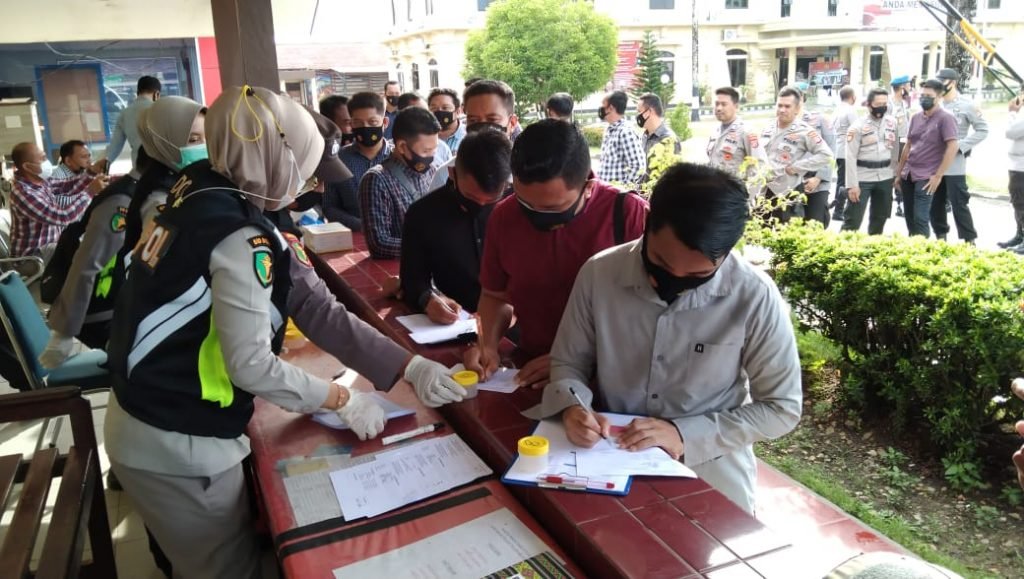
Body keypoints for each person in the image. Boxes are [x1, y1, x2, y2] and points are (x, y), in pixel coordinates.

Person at [103, 85, 466, 579]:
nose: (312, 188)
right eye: (306, 173)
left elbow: (314, 306)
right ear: (274, 160)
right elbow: (251, 363)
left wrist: (409, 364)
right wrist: (341, 398)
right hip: (177, 436)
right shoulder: (238, 234)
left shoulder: (202, 191)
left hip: (150, 416)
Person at [529, 162, 801, 514]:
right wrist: (573, 407)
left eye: (697, 276)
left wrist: (684, 434)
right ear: (647, 221)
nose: (670, 281)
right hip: (608, 457)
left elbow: (781, 407)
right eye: (660, 263)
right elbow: (568, 362)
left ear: (726, 253)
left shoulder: (753, 295)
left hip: (710, 469)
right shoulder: (599, 274)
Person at [464, 119, 648, 389]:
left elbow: (655, 319)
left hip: (612, 378)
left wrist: (574, 360)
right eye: (525, 203)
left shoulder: (630, 215)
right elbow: (494, 296)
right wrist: (487, 344)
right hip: (532, 369)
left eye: (552, 209)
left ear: (588, 186)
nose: (536, 217)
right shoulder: (504, 216)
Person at [401, 129, 512, 323]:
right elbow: (413, 280)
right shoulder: (423, 214)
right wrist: (428, 300)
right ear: (453, 173)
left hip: (516, 320)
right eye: (471, 197)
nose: (480, 205)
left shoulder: (518, 209)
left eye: (491, 200)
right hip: (456, 322)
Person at [121, 96, 207, 259]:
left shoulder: (188, 180)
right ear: (164, 143)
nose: (206, 146)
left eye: (208, 136)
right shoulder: (159, 199)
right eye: (194, 139)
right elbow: (164, 263)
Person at [359, 107, 441, 259]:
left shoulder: (433, 170)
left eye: (434, 150)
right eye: (425, 151)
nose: (431, 158)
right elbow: (379, 243)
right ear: (402, 146)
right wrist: (429, 246)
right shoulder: (376, 180)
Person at [8, 142, 106, 259]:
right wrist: (90, 192)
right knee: (86, 254)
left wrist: (92, 171)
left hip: (49, 247)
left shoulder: (40, 181)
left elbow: (68, 186)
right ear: (27, 167)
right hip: (32, 257)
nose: (47, 162)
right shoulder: (23, 193)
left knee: (90, 245)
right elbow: (62, 217)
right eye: (43, 158)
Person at [759, 86, 834, 223]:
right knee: (759, 231)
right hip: (763, 191)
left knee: (785, 232)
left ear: (797, 109)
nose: (782, 110)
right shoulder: (768, 128)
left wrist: (797, 167)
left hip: (787, 192)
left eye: (787, 106)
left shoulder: (804, 131)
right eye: (779, 105)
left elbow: (826, 155)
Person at [896, 79, 958, 238]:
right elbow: (908, 145)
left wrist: (938, 176)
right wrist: (899, 173)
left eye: (929, 96)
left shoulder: (946, 118)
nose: (924, 99)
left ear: (939, 97)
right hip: (908, 173)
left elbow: (952, 147)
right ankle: (913, 247)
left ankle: (924, 251)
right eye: (922, 95)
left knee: (920, 218)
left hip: (927, 176)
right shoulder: (915, 117)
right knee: (909, 217)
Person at [933, 68, 986, 244]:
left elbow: (982, 130)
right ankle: (941, 238)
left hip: (954, 164)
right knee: (935, 203)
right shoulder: (935, 103)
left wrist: (961, 146)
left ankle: (969, 240)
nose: (939, 85)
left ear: (953, 82)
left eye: (942, 81)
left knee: (959, 203)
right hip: (934, 162)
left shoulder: (967, 105)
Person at [328, 92, 393, 232]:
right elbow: (330, 207)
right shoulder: (338, 160)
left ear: (385, 123)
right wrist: (363, 226)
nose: (365, 127)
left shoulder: (398, 158)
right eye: (358, 123)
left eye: (372, 122)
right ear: (351, 124)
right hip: (354, 236)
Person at [843, 88, 899, 234]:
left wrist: (895, 174)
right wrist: (852, 185)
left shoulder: (892, 122)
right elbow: (850, 157)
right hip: (862, 178)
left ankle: (872, 246)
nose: (882, 107)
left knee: (880, 219)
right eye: (878, 104)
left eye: (885, 104)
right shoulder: (857, 127)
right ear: (868, 104)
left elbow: (895, 151)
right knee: (853, 221)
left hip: (885, 176)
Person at [706, 86, 766, 193]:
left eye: (724, 104)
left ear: (736, 106)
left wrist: (749, 195)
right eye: (716, 104)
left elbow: (760, 165)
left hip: (735, 194)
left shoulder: (746, 132)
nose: (719, 108)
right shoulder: (716, 131)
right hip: (716, 192)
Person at [103, 75, 161, 178]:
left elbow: (114, 147)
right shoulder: (160, 109)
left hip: (139, 171)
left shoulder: (125, 113)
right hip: (162, 170)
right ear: (157, 94)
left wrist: (105, 167)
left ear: (138, 92)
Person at [799, 91, 836, 227]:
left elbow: (831, 150)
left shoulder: (820, 120)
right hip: (790, 184)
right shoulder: (778, 124)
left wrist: (819, 177)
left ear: (802, 99)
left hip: (817, 182)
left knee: (815, 224)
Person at [598, 90, 646, 187]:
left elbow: (638, 166)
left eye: (603, 106)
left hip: (616, 193)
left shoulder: (625, 132)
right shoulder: (609, 129)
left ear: (610, 108)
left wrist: (622, 190)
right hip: (605, 191)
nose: (600, 109)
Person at [830, 86, 859, 221]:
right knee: (846, 181)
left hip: (839, 149)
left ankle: (838, 208)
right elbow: (857, 130)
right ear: (852, 97)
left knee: (841, 180)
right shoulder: (850, 110)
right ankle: (839, 209)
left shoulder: (836, 110)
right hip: (848, 150)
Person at [1001, 96, 1024, 252]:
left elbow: (1010, 132)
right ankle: (1020, 235)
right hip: (1017, 165)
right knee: (1017, 202)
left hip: (1021, 166)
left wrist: (1012, 113)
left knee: (1020, 202)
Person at [889, 75, 914, 217]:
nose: (910, 87)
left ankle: (901, 204)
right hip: (893, 143)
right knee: (893, 173)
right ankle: (893, 202)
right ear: (902, 87)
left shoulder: (904, 103)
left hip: (904, 142)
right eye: (908, 85)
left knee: (902, 173)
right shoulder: (890, 104)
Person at [637, 93, 681, 171]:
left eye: (639, 111)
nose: (637, 115)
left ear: (649, 112)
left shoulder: (669, 139)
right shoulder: (644, 136)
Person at [428, 88, 466, 153]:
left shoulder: (468, 136)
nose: (439, 111)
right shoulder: (423, 137)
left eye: (445, 108)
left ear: (458, 111)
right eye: (434, 108)